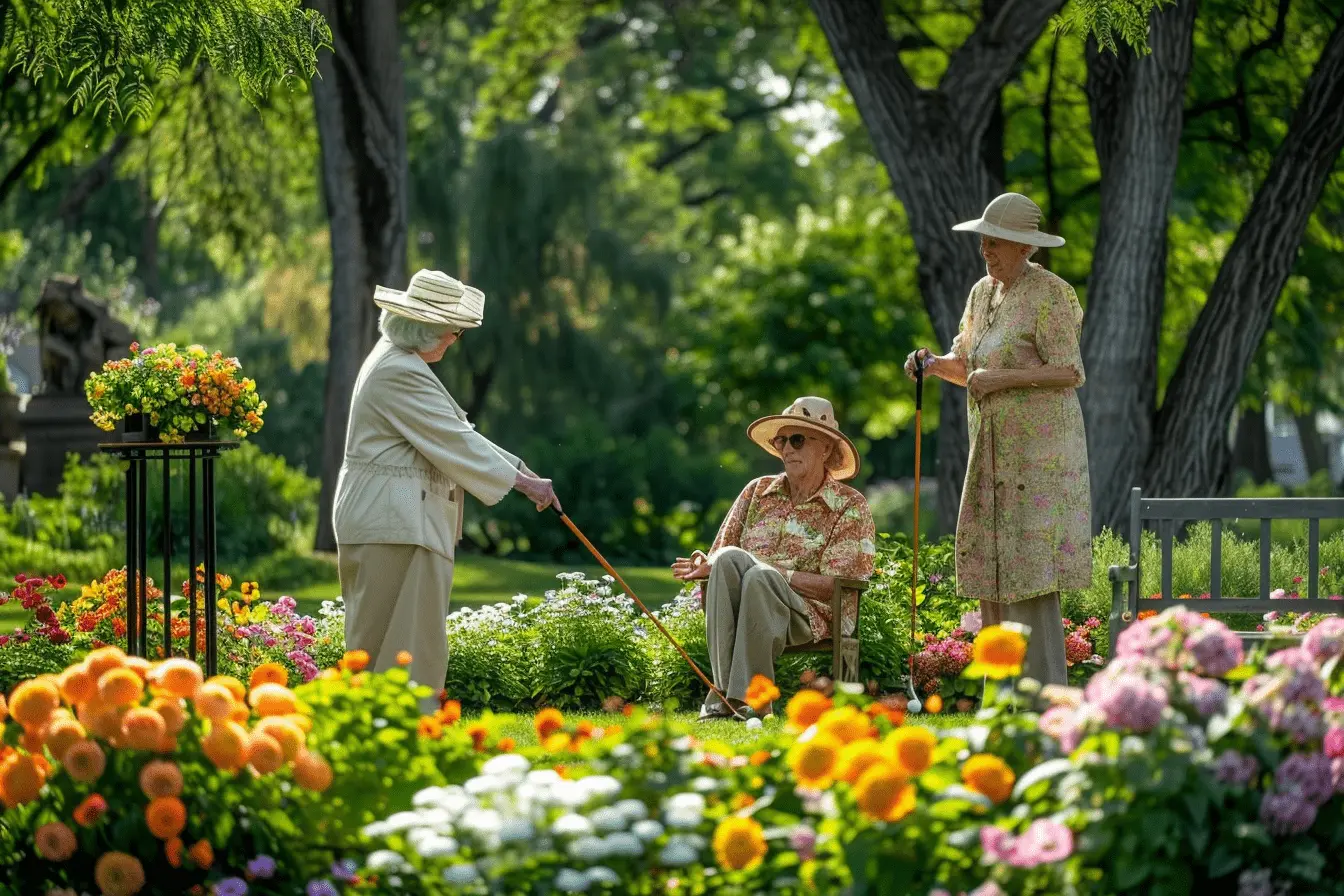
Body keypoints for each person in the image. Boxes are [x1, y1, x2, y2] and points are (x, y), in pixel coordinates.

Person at [333, 268, 561, 709]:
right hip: (393, 521)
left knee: (403, 638)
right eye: (452, 330)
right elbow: (453, 439)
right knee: (396, 641)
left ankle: (391, 730)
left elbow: (455, 428)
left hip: (398, 520)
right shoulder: (398, 370)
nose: (456, 339)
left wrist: (522, 472)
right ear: (424, 328)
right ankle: (401, 729)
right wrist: (521, 483)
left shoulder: (397, 360)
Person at [904, 192, 1092, 686]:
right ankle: (1001, 692)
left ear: (1025, 246)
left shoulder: (1051, 293)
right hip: (990, 453)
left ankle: (1045, 693)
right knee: (992, 564)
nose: (986, 249)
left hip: (1040, 459)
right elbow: (967, 366)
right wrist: (931, 364)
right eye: (984, 239)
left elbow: (1069, 371)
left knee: (1029, 567)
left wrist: (1003, 378)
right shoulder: (981, 294)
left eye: (997, 241)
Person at [672, 397, 875, 720]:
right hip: (750, 599)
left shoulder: (849, 506)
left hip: (812, 615)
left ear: (825, 448)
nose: (787, 449)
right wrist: (705, 564)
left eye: (797, 440)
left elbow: (838, 585)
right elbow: (724, 557)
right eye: (782, 440)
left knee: (760, 576)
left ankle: (748, 699)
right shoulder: (756, 491)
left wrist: (777, 573)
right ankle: (732, 695)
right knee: (728, 561)